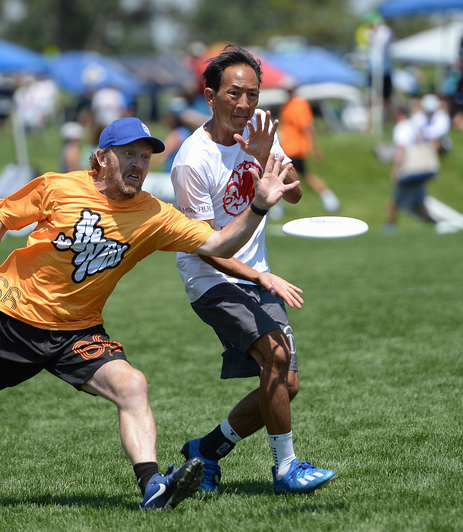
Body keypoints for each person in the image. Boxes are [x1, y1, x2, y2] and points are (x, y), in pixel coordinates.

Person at [0, 117, 299, 511]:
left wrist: (259, 205)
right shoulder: (58, 187)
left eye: (147, 157)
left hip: (77, 333)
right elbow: (0, 216)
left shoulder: (154, 214)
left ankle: (152, 486)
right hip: (11, 321)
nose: (140, 165)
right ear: (101, 158)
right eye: (130, 155)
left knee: (132, 384)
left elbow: (218, 244)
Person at [170, 44, 336, 495]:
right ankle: (286, 469)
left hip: (257, 272)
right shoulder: (191, 160)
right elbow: (204, 247)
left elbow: (295, 194)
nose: (244, 105)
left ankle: (205, 451)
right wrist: (259, 275)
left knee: (286, 383)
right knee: (276, 359)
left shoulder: (262, 133)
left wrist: (267, 160)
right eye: (234, 95)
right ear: (210, 95)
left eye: (253, 95)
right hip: (212, 278)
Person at [278, 83, 340, 213]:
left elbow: (308, 127)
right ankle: (328, 198)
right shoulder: (287, 106)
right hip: (287, 148)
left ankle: (277, 207)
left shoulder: (298, 105)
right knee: (295, 176)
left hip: (294, 149)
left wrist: (314, 148)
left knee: (285, 176)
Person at [385, 105, 437, 231]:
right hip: (422, 168)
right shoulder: (414, 125)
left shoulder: (401, 127)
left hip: (410, 169)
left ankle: (388, 227)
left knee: (395, 201)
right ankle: (434, 225)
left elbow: (402, 148)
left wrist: (395, 169)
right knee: (419, 202)